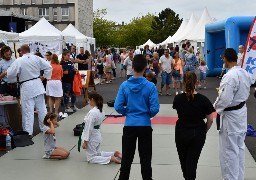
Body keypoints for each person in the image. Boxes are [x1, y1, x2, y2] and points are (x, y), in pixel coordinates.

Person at [114, 54, 160, 180]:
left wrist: (126, 112)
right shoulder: (150, 86)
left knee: (127, 159)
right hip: (144, 125)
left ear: (132, 66)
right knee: (145, 159)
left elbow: (118, 106)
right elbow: (155, 108)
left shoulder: (124, 85)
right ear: (146, 67)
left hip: (129, 125)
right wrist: (146, 114)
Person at [213, 48, 254, 180]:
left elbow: (224, 99)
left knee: (229, 151)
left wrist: (214, 107)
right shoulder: (244, 73)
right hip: (241, 113)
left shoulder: (230, 76)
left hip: (231, 117)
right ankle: (239, 177)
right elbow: (246, 92)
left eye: (223, 58)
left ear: (225, 58)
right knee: (239, 149)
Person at [173, 71, 215, 180]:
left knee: (183, 160)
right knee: (192, 161)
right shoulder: (204, 100)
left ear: (183, 82)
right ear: (197, 82)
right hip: (198, 131)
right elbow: (210, 120)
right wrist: (204, 131)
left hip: (181, 131)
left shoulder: (178, 99)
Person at [7, 44, 52, 136]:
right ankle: (45, 128)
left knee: (28, 110)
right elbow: (49, 67)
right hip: (38, 84)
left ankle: (28, 132)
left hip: (27, 86)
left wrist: (14, 78)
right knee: (42, 109)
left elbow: (10, 74)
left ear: (22, 51)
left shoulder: (19, 60)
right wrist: (45, 77)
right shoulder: (36, 58)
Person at [81, 92, 122, 164]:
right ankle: (114, 154)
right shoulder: (101, 110)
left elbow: (88, 128)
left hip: (92, 137)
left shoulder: (92, 112)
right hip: (97, 135)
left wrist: (85, 141)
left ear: (92, 100)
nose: (88, 102)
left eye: (89, 100)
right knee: (97, 153)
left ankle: (110, 158)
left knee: (91, 158)